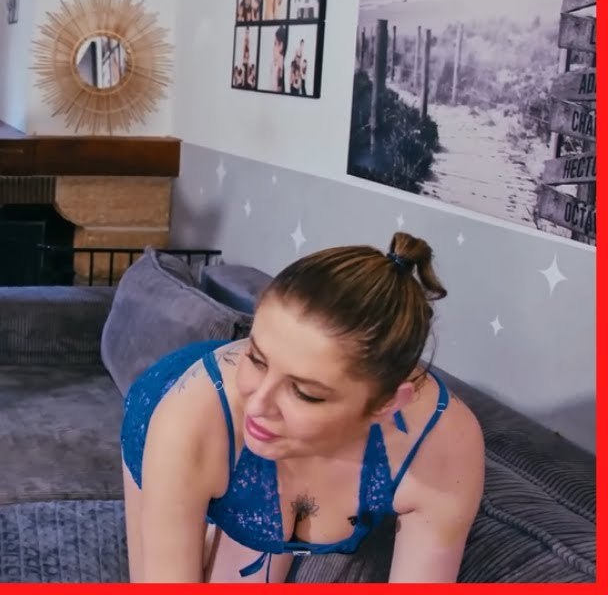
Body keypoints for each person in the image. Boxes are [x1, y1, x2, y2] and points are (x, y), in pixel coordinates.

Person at [120, 232, 485, 583]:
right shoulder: (187, 421)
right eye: (257, 358)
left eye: (305, 393)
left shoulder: (444, 447)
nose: (257, 404)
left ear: (388, 403)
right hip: (184, 419)